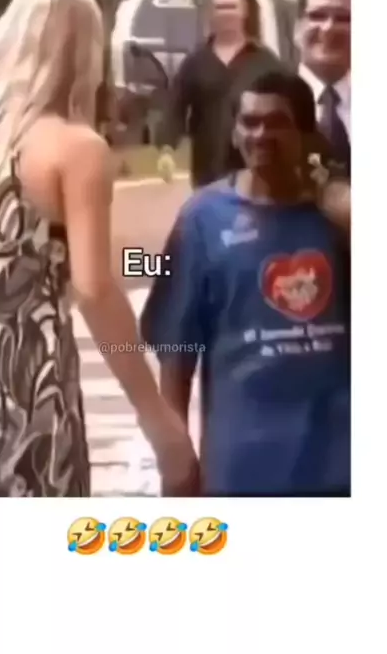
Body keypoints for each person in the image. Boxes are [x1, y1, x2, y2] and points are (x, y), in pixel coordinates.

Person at [0, 0, 198, 497]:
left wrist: (158, 264)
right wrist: (156, 417)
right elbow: (94, 287)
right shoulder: (77, 148)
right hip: (26, 381)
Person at [141, 70, 350, 497]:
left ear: (305, 134)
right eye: (250, 122)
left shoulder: (339, 219)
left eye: (277, 123)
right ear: (235, 133)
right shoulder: (201, 220)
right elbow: (176, 353)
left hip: (338, 467)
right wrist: (175, 459)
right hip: (240, 472)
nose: (261, 135)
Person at [156, 0, 286, 188]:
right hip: (208, 171)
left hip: (256, 169)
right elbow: (175, 107)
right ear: (210, 14)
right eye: (220, 7)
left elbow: (287, 107)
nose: (227, 13)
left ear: (244, 11)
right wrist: (166, 149)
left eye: (232, 6)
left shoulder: (265, 61)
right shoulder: (195, 62)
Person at [296, 0, 351, 177]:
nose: (328, 27)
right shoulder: (261, 104)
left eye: (344, 18)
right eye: (317, 15)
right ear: (297, 27)